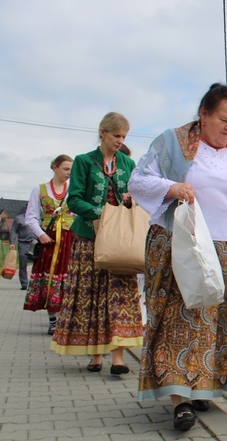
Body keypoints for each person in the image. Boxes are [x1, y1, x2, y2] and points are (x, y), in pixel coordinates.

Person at [129, 83, 227, 431]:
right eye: (224, 119)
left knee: (216, 327)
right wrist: (172, 188)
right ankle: (180, 401)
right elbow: (138, 180)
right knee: (182, 324)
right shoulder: (173, 142)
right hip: (184, 246)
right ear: (203, 114)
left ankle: (202, 386)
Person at [51, 113, 143, 375]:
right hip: (89, 238)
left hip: (120, 241)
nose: (120, 140)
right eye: (116, 135)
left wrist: (128, 201)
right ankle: (95, 356)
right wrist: (101, 212)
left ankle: (118, 358)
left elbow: (136, 198)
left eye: (124, 136)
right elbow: (74, 200)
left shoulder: (128, 162)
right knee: (90, 296)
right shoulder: (83, 161)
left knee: (120, 297)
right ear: (102, 132)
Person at [23, 154, 75, 334]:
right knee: (50, 278)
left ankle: (66, 319)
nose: (69, 173)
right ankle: (53, 321)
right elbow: (31, 217)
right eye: (65, 169)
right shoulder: (39, 190)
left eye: (71, 169)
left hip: (70, 238)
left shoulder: (73, 190)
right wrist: (41, 234)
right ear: (54, 167)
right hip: (49, 239)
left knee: (69, 278)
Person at [9, 206, 37, 290]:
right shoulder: (19, 218)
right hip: (23, 244)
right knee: (23, 264)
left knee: (37, 264)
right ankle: (24, 284)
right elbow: (13, 231)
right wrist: (12, 242)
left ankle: (35, 283)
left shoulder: (37, 217)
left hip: (35, 244)